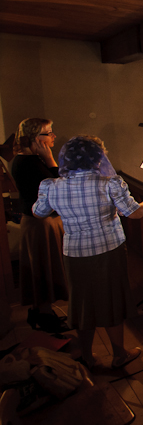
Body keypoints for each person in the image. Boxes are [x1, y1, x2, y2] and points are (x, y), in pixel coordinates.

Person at [33, 136, 143, 369]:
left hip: (74, 253)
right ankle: (119, 354)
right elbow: (134, 213)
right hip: (108, 250)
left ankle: (88, 356)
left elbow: (39, 212)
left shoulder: (51, 185)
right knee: (111, 300)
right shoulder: (109, 183)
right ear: (97, 158)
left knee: (82, 302)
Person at [10, 118, 69, 333]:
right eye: (48, 132)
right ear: (36, 138)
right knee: (44, 269)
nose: (53, 136)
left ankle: (40, 310)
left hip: (42, 222)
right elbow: (59, 188)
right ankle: (44, 314)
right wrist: (51, 160)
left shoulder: (31, 160)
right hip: (39, 224)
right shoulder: (27, 162)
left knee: (46, 266)